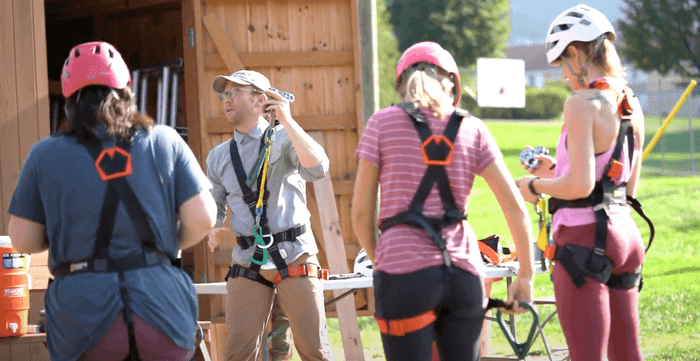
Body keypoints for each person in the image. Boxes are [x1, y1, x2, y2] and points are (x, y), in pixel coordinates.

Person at [7, 41, 217, 361]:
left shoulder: (45, 154)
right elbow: (204, 218)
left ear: (69, 100)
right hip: (162, 306)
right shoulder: (164, 140)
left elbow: (23, 239)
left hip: (84, 314)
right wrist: (165, 245)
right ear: (127, 90)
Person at [351, 41, 535, 361]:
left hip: (403, 275)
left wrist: (380, 260)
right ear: (451, 82)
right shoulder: (472, 128)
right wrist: (526, 276)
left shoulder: (381, 124)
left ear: (401, 84)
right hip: (465, 275)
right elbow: (515, 207)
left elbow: (361, 213)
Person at [515, 5, 646, 361]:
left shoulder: (581, 103)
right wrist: (557, 170)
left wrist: (534, 186)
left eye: (560, 64)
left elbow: (580, 187)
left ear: (576, 53)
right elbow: (621, 184)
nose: (562, 75)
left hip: (582, 243)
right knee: (627, 355)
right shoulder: (631, 102)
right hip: (625, 238)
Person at [205, 70, 334, 361]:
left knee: (315, 351)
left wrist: (287, 121)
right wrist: (212, 226)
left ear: (260, 99)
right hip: (249, 259)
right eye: (223, 94)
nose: (226, 100)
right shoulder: (218, 157)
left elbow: (318, 169)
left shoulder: (286, 140)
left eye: (234, 93)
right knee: (237, 354)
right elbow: (215, 202)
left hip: (295, 253)